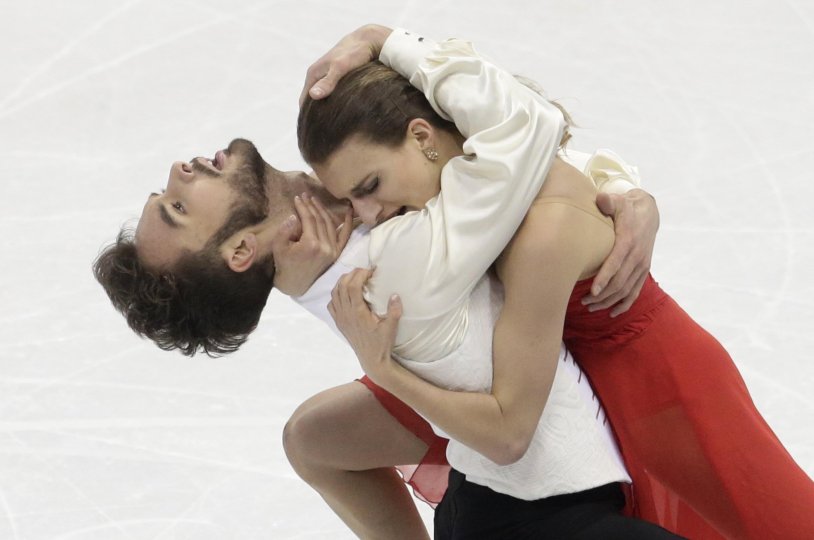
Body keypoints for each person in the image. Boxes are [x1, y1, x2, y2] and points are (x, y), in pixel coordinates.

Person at [93, 30, 661, 540]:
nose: (178, 170)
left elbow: (500, 174)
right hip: (545, 504)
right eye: (176, 207)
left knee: (311, 437)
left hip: (521, 488)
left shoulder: (340, 237)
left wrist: (621, 194)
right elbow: (524, 135)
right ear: (240, 250)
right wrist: (383, 39)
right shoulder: (394, 261)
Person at [297, 25, 814, 539]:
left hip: (654, 386)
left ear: (422, 137)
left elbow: (529, 135)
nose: (369, 215)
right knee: (313, 436)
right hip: (543, 374)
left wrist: (381, 37)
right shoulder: (478, 186)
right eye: (351, 200)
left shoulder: (536, 217)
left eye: (371, 186)